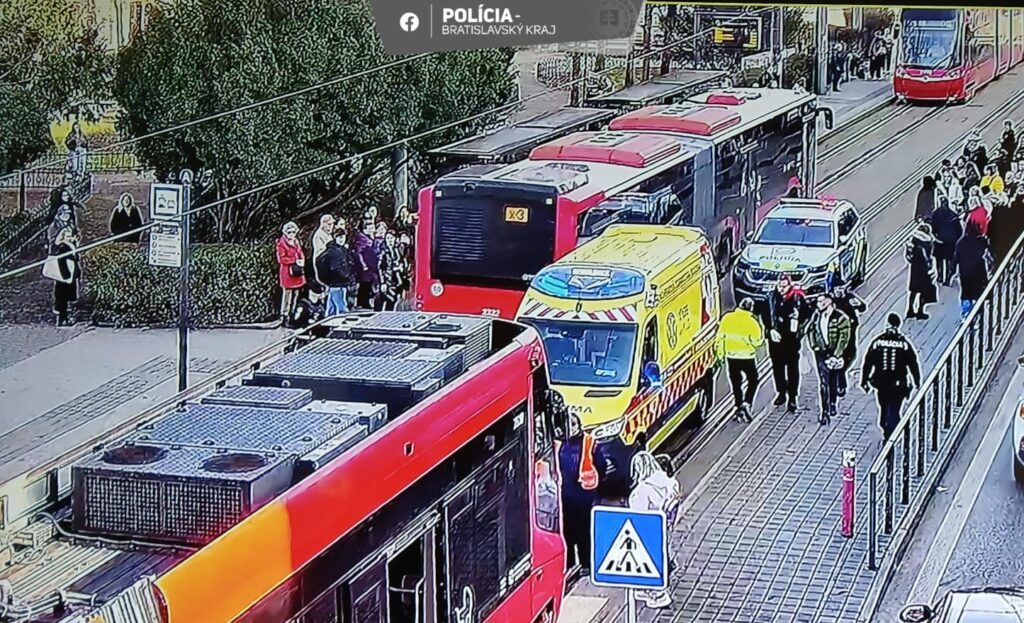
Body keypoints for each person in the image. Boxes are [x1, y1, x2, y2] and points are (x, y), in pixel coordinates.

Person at [627, 451, 679, 609]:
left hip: (649, 531)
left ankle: (657, 593)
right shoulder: (670, 483)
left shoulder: (642, 491)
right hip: (665, 527)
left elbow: (638, 516)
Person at [558, 414, 607, 576]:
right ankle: (570, 565)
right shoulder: (559, 443)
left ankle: (587, 564)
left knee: (584, 533)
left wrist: (592, 481)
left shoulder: (589, 443)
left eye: (573, 423)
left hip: (583, 498)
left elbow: (601, 465)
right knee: (566, 534)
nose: (570, 427)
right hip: (563, 499)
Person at [861, 314, 921, 441]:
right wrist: (917, 381)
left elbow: (868, 361)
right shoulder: (903, 343)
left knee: (884, 405)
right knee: (894, 408)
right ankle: (892, 430)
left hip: (880, 382)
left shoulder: (877, 342)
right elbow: (913, 363)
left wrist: (864, 380)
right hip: (898, 384)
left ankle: (885, 427)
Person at [805, 293, 851, 425]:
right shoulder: (816, 316)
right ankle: (824, 412)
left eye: (822, 303)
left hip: (834, 353)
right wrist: (815, 347)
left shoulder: (841, 318)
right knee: (824, 382)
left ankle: (832, 403)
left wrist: (837, 355)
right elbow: (811, 331)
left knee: (833, 380)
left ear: (829, 303)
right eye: (818, 303)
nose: (819, 305)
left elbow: (844, 338)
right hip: (821, 353)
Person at [716, 298, 764, 422]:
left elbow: (720, 338)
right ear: (751, 308)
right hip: (747, 357)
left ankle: (738, 406)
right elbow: (758, 341)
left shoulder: (727, 318)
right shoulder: (752, 322)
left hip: (731, 357)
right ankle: (747, 403)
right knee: (753, 380)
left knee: (736, 383)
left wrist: (720, 355)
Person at [766, 275, 806, 412]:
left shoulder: (797, 299)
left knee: (792, 369)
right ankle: (781, 392)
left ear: (790, 285)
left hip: (791, 341)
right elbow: (765, 316)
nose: (782, 289)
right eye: (779, 286)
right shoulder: (771, 298)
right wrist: (770, 330)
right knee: (777, 368)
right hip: (776, 341)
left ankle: (793, 397)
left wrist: (799, 330)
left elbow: (807, 316)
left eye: (784, 286)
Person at [831, 283, 866, 397]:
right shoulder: (831, 300)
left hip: (850, 332)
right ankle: (841, 384)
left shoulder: (850, 297)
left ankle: (839, 377)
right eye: (837, 288)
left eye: (841, 288)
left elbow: (863, 307)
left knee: (851, 355)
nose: (839, 291)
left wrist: (858, 304)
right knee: (839, 359)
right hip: (837, 335)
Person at [955, 220, 993, 318]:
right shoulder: (981, 241)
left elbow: (956, 258)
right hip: (978, 271)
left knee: (966, 292)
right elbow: (990, 253)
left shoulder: (961, 242)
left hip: (965, 272)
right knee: (978, 292)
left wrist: (953, 271)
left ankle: (966, 312)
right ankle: (978, 313)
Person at [46, 227, 81, 326]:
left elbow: (75, 259)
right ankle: (62, 319)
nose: (70, 238)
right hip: (65, 276)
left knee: (66, 298)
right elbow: (61, 262)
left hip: (70, 275)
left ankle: (65, 317)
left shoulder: (71, 245)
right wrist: (66, 275)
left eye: (70, 236)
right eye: (67, 236)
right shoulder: (63, 247)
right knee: (63, 298)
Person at [315, 226, 353, 315]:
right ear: (335, 238)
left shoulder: (341, 249)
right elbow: (335, 268)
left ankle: (328, 319)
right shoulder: (334, 251)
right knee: (341, 305)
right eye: (339, 237)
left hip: (336, 282)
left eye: (343, 237)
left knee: (331, 304)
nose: (341, 240)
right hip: (337, 281)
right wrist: (345, 275)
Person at [905, 222, 938, 319]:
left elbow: (909, 256)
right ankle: (920, 311)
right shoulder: (928, 243)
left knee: (913, 291)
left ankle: (910, 310)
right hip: (924, 270)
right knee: (924, 291)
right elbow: (930, 256)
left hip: (915, 269)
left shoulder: (913, 240)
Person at [276, 221, 306, 326]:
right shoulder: (281, 243)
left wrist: (302, 259)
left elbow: (300, 252)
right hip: (287, 273)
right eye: (289, 233)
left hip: (297, 271)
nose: (291, 235)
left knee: (296, 294)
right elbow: (281, 259)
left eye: (293, 232)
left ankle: (293, 314)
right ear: (285, 233)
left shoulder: (296, 242)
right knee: (287, 296)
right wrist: (294, 260)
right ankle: (285, 316)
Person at [931, 196, 963, 286]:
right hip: (950, 241)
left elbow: (933, 227)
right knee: (950, 260)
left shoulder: (936, 214)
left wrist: (936, 236)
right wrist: (955, 239)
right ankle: (948, 277)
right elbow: (959, 230)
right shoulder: (953, 215)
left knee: (939, 260)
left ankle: (940, 276)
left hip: (939, 241)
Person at [350, 219, 380, 309]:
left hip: (371, 266)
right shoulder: (362, 239)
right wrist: (364, 265)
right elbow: (359, 253)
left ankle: (364, 302)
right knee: (365, 285)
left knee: (368, 285)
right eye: (370, 228)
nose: (372, 229)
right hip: (365, 267)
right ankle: (362, 303)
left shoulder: (371, 238)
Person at [377, 229, 407, 311]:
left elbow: (402, 261)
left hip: (397, 280)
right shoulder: (383, 252)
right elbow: (380, 268)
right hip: (388, 280)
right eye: (388, 238)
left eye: (391, 238)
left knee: (394, 300)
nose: (390, 241)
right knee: (388, 299)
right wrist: (383, 282)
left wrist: (401, 268)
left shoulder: (397, 250)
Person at [309, 214, 336, 281]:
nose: (331, 226)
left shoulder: (329, 234)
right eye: (329, 224)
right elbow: (321, 252)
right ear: (323, 224)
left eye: (332, 224)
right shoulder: (318, 235)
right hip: (321, 262)